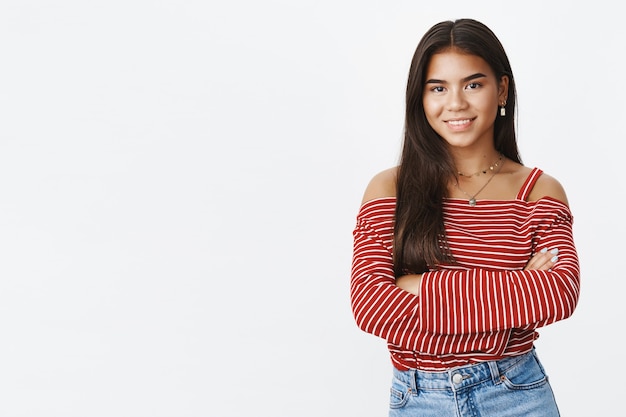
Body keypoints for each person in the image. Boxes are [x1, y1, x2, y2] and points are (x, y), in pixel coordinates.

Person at [350, 18, 580, 417]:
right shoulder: (391, 188)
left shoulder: (540, 192)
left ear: (502, 88)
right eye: (438, 87)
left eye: (473, 84)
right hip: (419, 399)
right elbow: (371, 305)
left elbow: (558, 294)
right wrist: (516, 285)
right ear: (419, 98)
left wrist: (418, 286)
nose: (455, 103)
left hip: (517, 395)